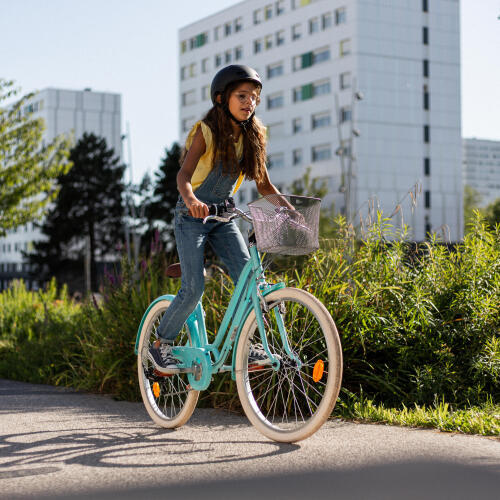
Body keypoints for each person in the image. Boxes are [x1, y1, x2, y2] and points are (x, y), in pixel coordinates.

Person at [148, 65, 282, 372]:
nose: (250, 102)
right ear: (222, 98)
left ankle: (244, 344)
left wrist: (288, 209)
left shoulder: (253, 136)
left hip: (223, 217)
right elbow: (183, 175)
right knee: (194, 288)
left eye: (254, 97)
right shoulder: (206, 132)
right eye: (242, 96)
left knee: (251, 281)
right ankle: (162, 344)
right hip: (191, 216)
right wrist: (192, 200)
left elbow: (264, 185)